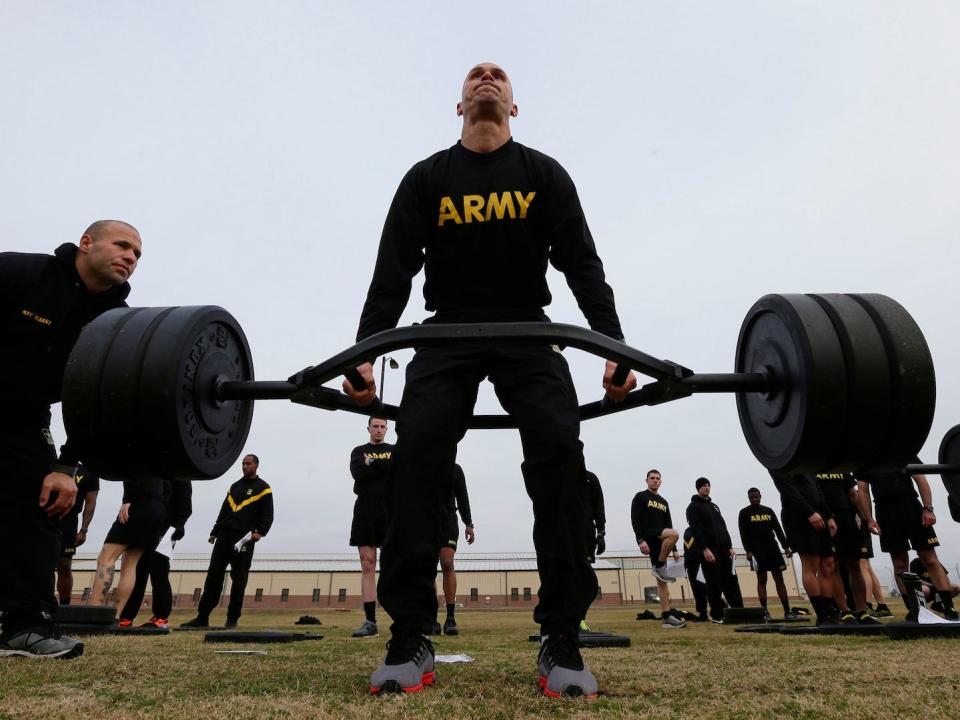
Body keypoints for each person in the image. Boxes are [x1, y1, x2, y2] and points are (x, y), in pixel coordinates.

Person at [343, 62, 636, 697]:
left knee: (560, 455)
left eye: (498, 75)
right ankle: (410, 633)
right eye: (476, 74)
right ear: (459, 105)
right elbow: (390, 278)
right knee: (418, 457)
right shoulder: (426, 179)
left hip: (527, 332)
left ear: (513, 105)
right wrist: (364, 357)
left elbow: (584, 267)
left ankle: (562, 634)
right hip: (446, 332)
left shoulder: (543, 174)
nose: (486, 77)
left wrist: (614, 350)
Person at [0, 220, 141, 659]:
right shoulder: (18, 273)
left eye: (137, 255)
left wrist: (68, 467)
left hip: (24, 417)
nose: (131, 258)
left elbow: (101, 399)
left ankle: (26, 628)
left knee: (45, 506)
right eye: (123, 246)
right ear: (86, 243)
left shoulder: (116, 322)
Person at [180, 455, 273, 629]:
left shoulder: (264, 489)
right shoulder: (234, 487)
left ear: (256, 465)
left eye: (248, 463)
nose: (245, 466)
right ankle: (202, 617)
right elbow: (224, 511)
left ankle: (232, 619)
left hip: (244, 539)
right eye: (243, 464)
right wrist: (215, 532)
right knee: (213, 576)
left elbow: (267, 515)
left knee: (239, 580)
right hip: (224, 537)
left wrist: (260, 531)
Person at [857, 464, 957, 620]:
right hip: (885, 512)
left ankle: (949, 608)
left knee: (929, 558)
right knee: (899, 563)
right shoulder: (866, 459)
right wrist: (869, 519)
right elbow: (862, 490)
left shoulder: (903, 451)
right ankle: (913, 610)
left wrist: (928, 508)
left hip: (911, 506)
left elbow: (920, 478)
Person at [117, 480, 193, 629]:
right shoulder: (152, 469)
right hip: (144, 522)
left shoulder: (181, 473)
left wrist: (178, 526)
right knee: (137, 570)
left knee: (159, 570)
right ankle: (126, 617)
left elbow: (185, 505)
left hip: (166, 527)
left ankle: (161, 617)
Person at [90, 478, 170, 615]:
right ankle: (116, 615)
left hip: (138, 503)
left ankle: (92, 612)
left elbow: (135, 471)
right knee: (130, 564)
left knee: (106, 559)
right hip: (157, 508)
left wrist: (128, 500)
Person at [770, 471, 840, 625]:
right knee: (811, 564)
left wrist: (828, 516)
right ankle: (822, 615)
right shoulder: (780, 461)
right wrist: (809, 512)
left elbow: (817, 488)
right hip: (799, 515)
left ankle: (830, 611)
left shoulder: (806, 462)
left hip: (819, 513)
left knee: (828, 564)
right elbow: (788, 489)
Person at [349, 418, 394, 638]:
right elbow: (358, 474)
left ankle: (399, 617)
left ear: (387, 429)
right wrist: (378, 468)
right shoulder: (358, 451)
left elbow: (396, 472)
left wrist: (372, 463)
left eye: (382, 427)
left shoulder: (395, 451)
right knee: (368, 564)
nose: (378, 430)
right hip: (365, 509)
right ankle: (370, 621)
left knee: (392, 563)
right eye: (374, 426)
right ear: (368, 428)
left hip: (390, 509)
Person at [814, 472, 879, 624]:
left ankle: (862, 612)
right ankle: (845, 611)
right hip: (826, 519)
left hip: (847, 518)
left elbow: (854, 494)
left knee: (855, 565)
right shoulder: (813, 468)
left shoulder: (841, 468)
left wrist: (867, 519)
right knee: (833, 566)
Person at [631, 470, 685, 629]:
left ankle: (667, 618)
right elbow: (635, 520)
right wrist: (640, 540)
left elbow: (668, 522)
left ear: (661, 482)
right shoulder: (640, 497)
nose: (655, 481)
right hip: (649, 536)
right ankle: (659, 566)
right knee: (675, 533)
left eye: (657, 479)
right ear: (646, 480)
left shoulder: (663, 502)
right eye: (652, 478)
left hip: (662, 539)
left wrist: (674, 549)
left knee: (662, 583)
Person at [685, 478, 743, 623]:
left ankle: (738, 612)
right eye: (704, 486)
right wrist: (704, 549)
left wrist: (729, 546)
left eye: (709, 485)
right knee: (714, 582)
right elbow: (696, 529)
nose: (707, 488)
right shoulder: (693, 507)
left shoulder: (714, 506)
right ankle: (717, 614)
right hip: (710, 550)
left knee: (731, 580)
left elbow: (723, 526)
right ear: (698, 488)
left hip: (724, 549)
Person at [737, 487, 795, 620]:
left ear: (760, 496)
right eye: (751, 498)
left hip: (772, 547)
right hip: (757, 550)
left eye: (756, 497)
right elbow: (743, 533)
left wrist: (786, 547)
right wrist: (748, 551)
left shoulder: (768, 511)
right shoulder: (744, 513)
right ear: (749, 498)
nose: (754, 499)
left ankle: (787, 611)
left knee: (779, 578)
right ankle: (765, 612)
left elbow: (778, 529)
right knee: (762, 579)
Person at [432, 464, 475, 636]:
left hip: (448, 520)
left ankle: (450, 618)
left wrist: (468, 523)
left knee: (447, 563)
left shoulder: (455, 469)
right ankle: (431, 617)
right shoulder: (423, 464)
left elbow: (462, 496)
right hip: (427, 520)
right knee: (428, 569)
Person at [56, 463, 99, 605]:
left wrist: (83, 530)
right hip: (45, 518)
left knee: (64, 565)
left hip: (69, 521)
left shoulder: (89, 472)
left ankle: (64, 606)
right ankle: (42, 604)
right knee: (43, 564)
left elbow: (90, 502)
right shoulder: (52, 466)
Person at [682, 528, 709, 621]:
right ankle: (703, 614)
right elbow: (686, 548)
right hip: (692, 564)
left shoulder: (704, 529)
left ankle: (720, 608)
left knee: (706, 589)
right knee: (697, 591)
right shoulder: (688, 531)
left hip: (702, 562)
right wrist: (685, 565)